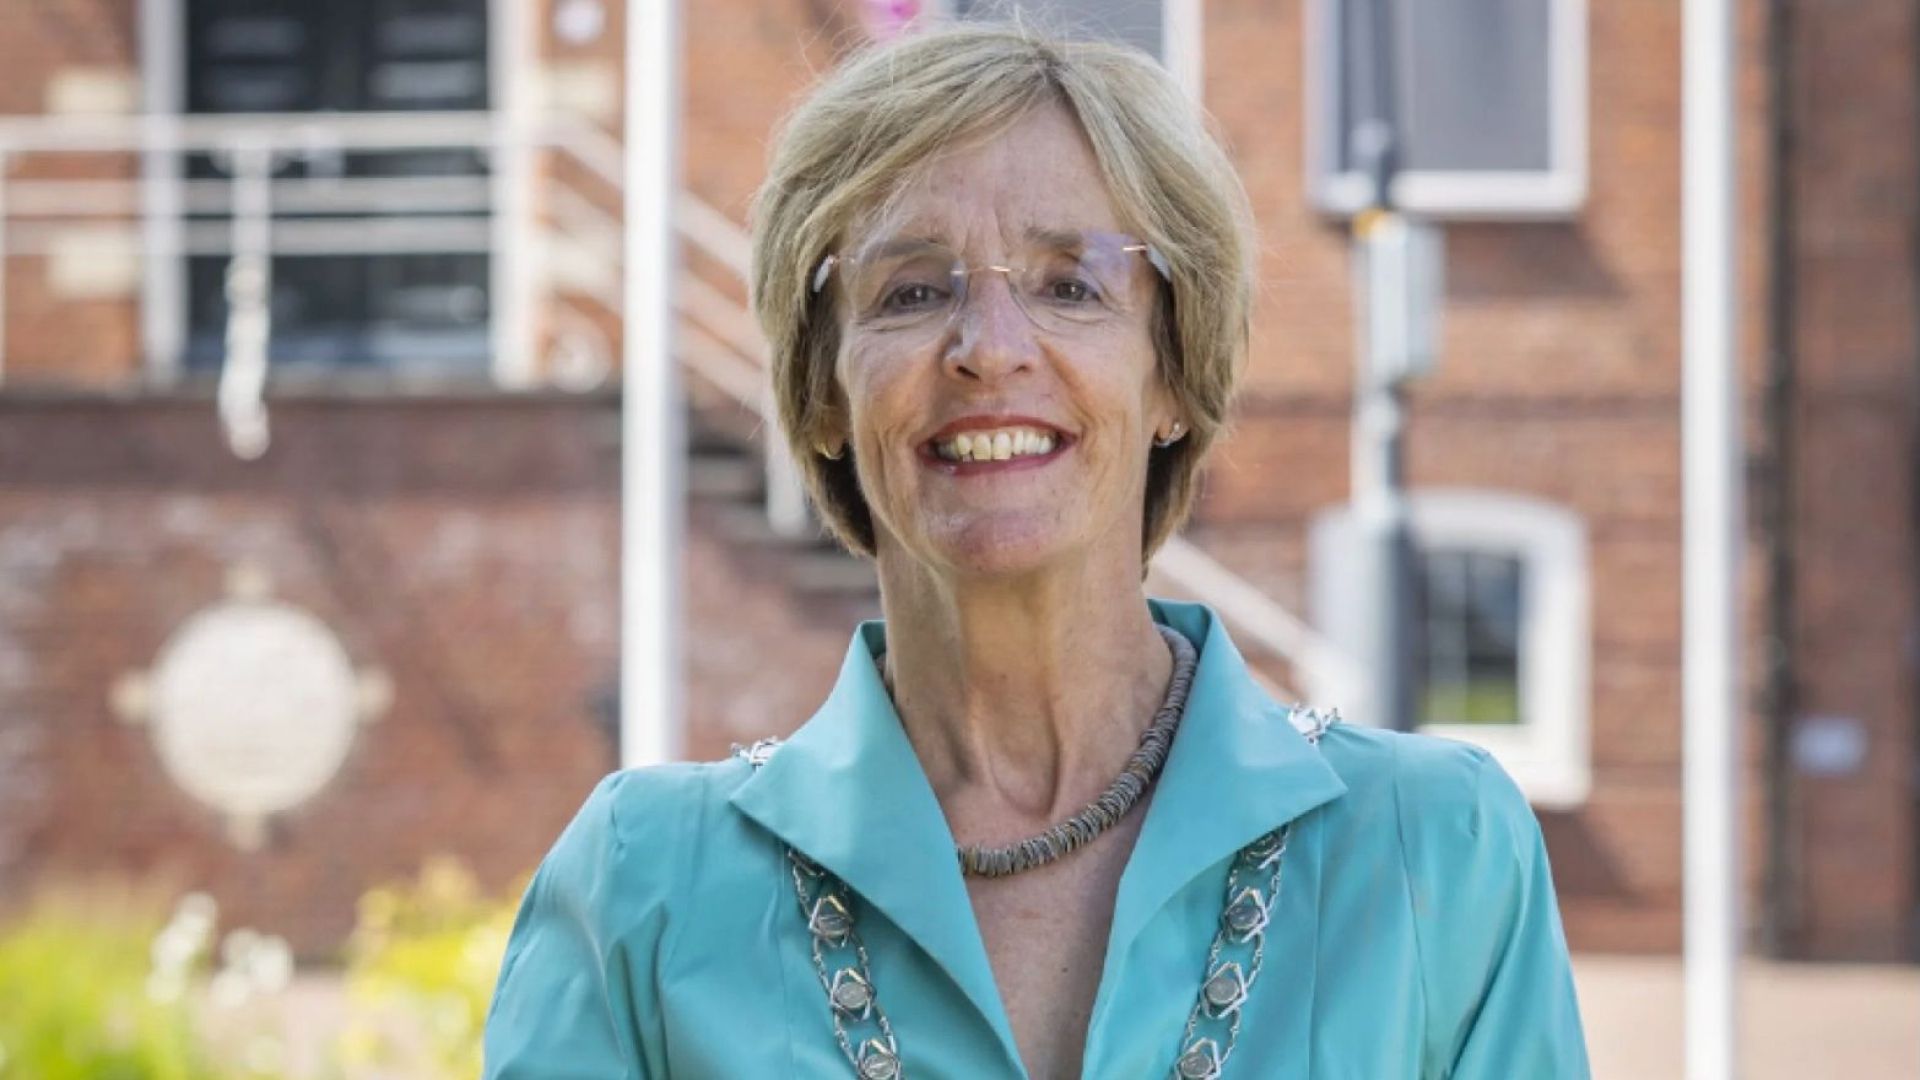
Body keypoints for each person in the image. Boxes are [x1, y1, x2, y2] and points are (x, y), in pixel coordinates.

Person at [483, 21, 1589, 1080]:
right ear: (822, 394)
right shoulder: (643, 890)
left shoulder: (1432, 854)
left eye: (1072, 285)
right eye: (913, 290)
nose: (990, 349)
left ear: (1173, 374)